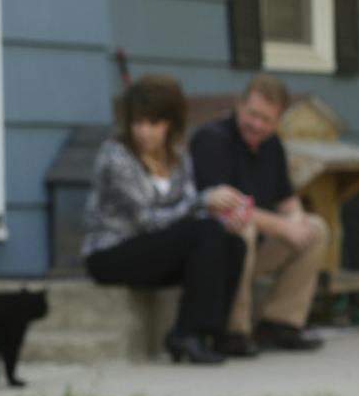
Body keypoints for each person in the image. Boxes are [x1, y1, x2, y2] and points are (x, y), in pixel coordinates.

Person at [81, 75, 250, 365]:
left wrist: (221, 215)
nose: (144, 132)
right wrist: (203, 202)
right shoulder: (116, 156)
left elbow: (186, 210)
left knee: (232, 243)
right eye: (137, 122)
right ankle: (186, 333)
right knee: (205, 232)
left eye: (153, 123)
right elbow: (148, 220)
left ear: (171, 122)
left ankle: (212, 333)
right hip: (112, 251)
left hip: (157, 251)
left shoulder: (179, 156)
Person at [188, 74, 327, 355]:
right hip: (213, 252)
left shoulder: (272, 146)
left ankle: (281, 323)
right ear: (239, 106)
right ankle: (233, 331)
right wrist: (283, 227)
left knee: (316, 228)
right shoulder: (212, 140)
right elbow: (224, 208)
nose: (257, 125)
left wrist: (297, 221)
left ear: (277, 122)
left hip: (259, 248)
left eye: (267, 120)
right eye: (253, 114)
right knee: (241, 227)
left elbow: (287, 200)